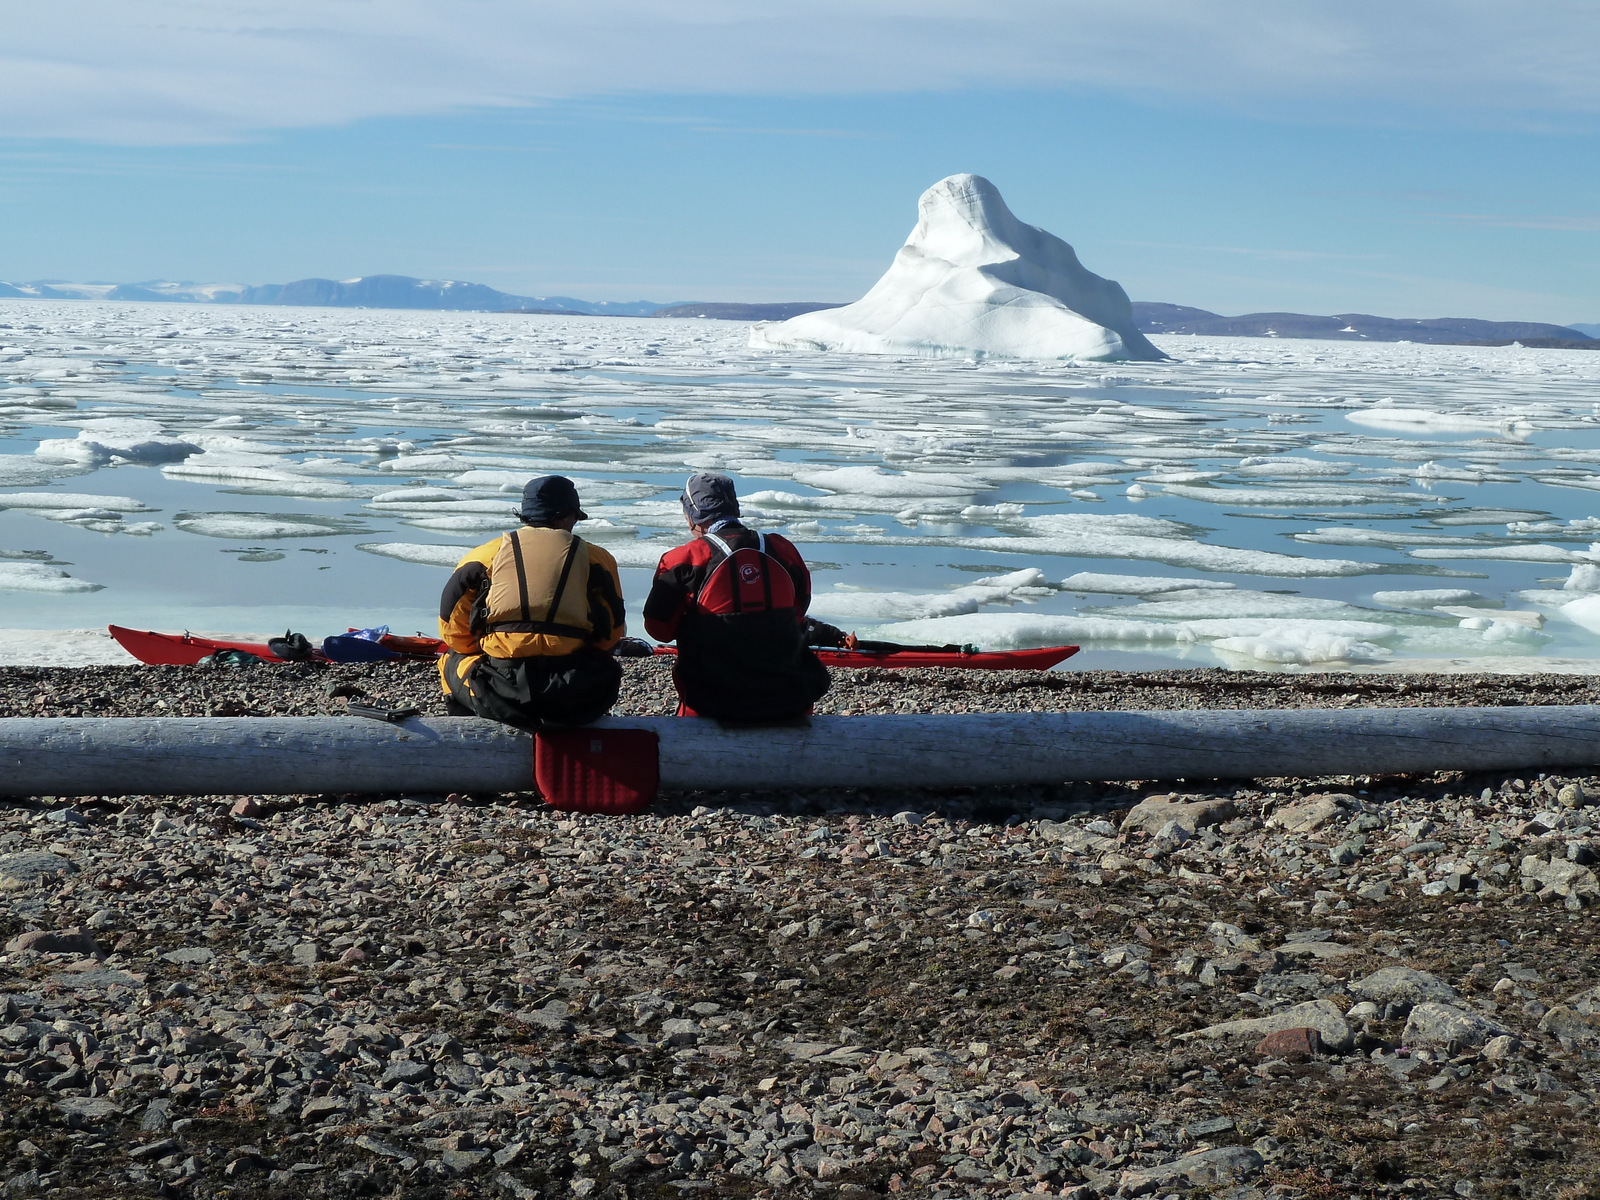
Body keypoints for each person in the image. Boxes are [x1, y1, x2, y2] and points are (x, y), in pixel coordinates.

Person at [437, 475, 626, 727]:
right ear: (567, 515)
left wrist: (493, 649)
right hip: (576, 693)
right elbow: (611, 635)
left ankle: (465, 732)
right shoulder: (597, 559)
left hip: (499, 692)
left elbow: (453, 633)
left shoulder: (483, 556)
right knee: (607, 666)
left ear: (525, 516)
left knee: (450, 659)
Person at [644, 472, 830, 721]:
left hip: (713, 703)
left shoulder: (682, 560)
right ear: (734, 507)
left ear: (692, 516)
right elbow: (799, 609)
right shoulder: (782, 549)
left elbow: (659, 630)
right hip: (789, 698)